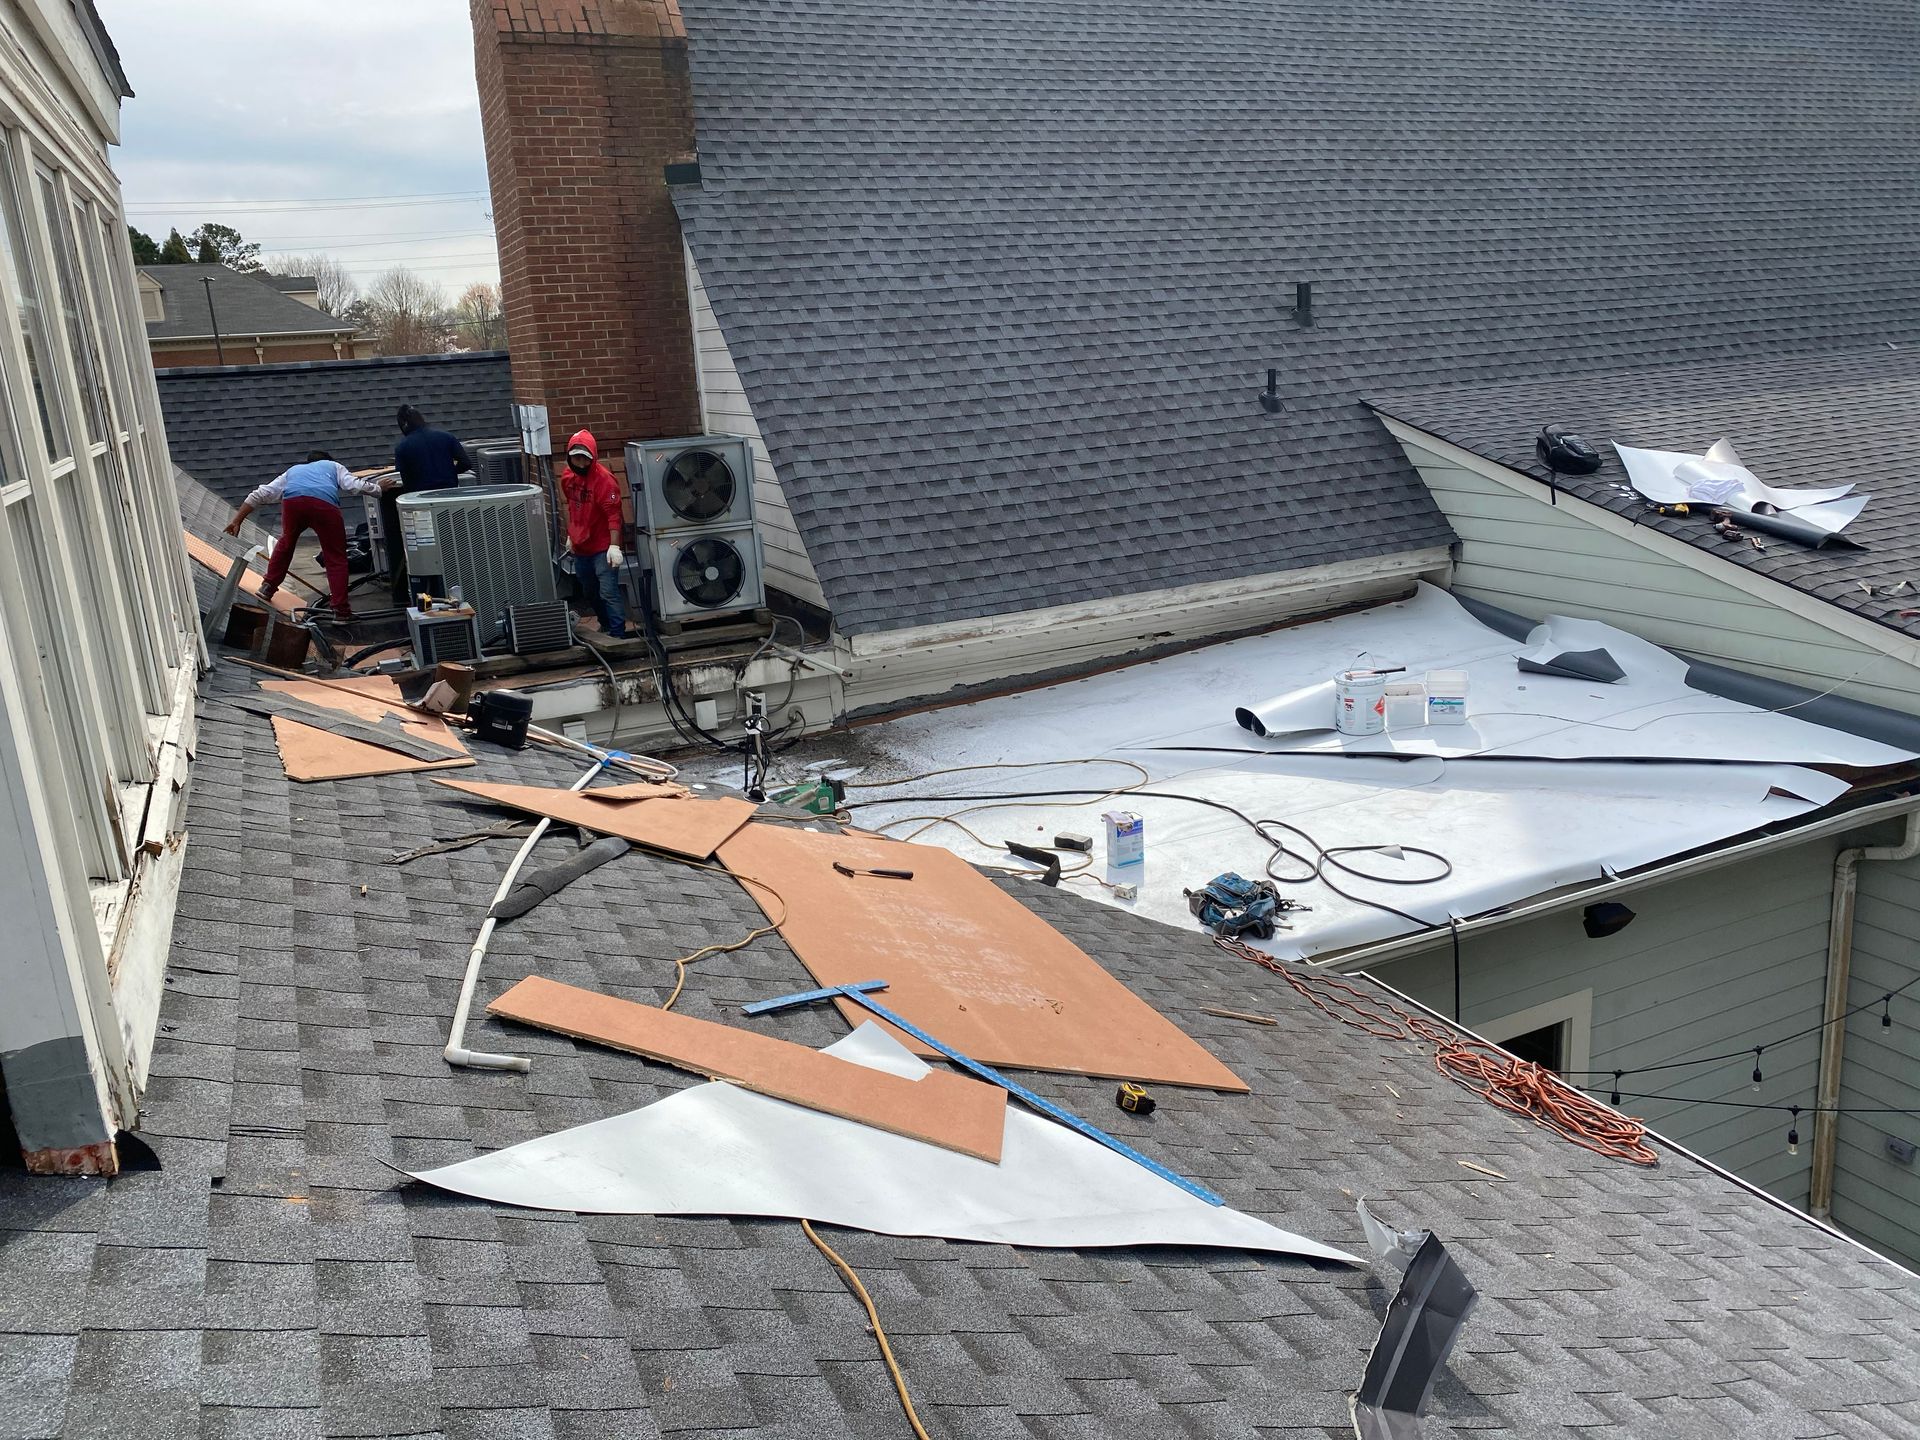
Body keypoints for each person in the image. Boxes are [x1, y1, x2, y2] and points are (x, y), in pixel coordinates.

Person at [225, 451, 395, 620]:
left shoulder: (293, 471)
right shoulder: (334, 466)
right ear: (328, 460)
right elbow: (353, 485)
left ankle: (268, 587)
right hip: (324, 506)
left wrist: (237, 521)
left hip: (294, 503)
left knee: (286, 542)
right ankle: (341, 612)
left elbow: (259, 494)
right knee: (335, 557)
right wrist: (378, 488)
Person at [385, 405, 474, 602]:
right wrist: (448, 473)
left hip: (421, 504)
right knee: (453, 544)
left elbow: (405, 476)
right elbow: (467, 463)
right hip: (449, 499)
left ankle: (428, 594)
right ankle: (458, 584)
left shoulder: (403, 446)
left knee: (425, 550)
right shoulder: (445, 437)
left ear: (403, 425)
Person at [560, 429, 629, 638]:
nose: (581, 464)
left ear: (593, 457)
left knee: (608, 591)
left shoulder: (604, 480)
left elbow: (613, 515)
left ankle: (618, 634)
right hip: (581, 546)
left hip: (602, 546)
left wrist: (614, 546)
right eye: (576, 459)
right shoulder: (568, 478)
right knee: (589, 591)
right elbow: (573, 507)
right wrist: (571, 535)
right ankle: (606, 625)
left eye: (585, 459)